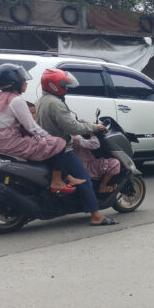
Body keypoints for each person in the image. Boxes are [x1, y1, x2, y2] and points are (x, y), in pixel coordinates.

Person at [35, 69, 118, 226]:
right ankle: (96, 216)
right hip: (62, 149)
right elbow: (73, 128)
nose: (66, 88)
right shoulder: (55, 103)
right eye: (64, 84)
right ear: (54, 86)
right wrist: (93, 127)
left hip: (47, 146)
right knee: (84, 179)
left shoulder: (41, 101)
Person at [0, 64, 78, 194]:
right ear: (13, 82)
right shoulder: (16, 100)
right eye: (23, 80)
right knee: (58, 143)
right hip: (7, 142)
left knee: (45, 144)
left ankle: (65, 177)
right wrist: (49, 138)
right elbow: (32, 127)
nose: (26, 83)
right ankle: (57, 181)